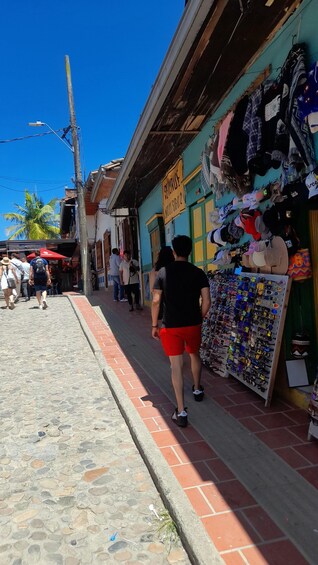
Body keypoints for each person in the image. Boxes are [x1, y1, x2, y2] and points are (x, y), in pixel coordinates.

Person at [151, 235, 211, 428]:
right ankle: (197, 389)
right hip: (193, 323)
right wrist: (199, 317)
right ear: (190, 251)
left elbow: (156, 301)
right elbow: (207, 301)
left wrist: (154, 325)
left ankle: (181, 411)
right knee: (194, 355)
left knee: (176, 365)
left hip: (171, 326)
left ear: (174, 252)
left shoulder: (162, 273)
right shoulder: (198, 272)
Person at [149, 246, 175, 321]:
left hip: (161, 303)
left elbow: (152, 290)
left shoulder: (155, 271)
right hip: (175, 302)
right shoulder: (175, 268)